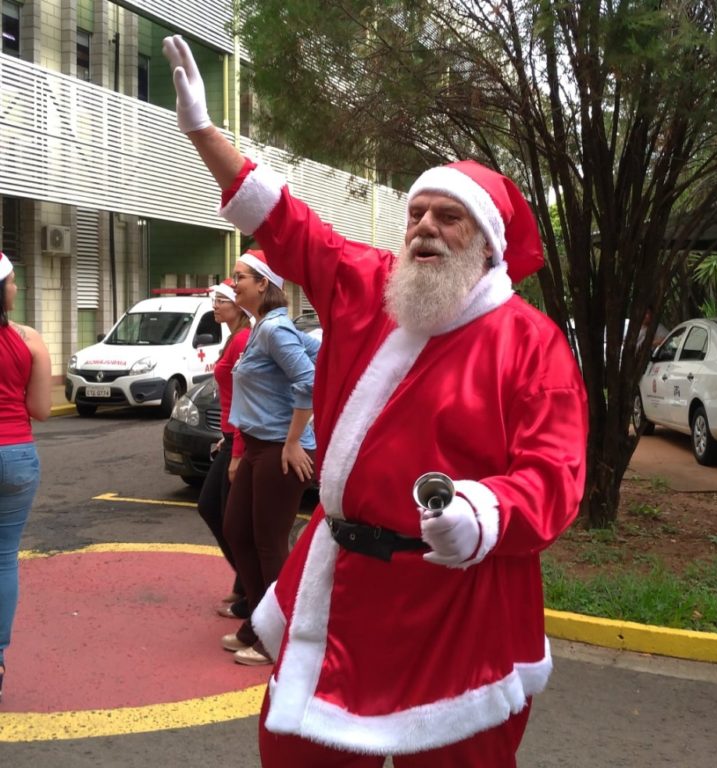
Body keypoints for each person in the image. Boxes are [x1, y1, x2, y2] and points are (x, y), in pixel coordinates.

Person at [164, 36, 588, 766]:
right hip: (340, 588)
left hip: (460, 605)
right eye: (415, 213)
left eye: (446, 216)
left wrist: (483, 513)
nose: (423, 226)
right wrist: (205, 136)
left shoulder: (532, 342)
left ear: (487, 244)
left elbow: (554, 475)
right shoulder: (367, 285)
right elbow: (287, 224)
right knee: (294, 747)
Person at [220, 248, 320, 666]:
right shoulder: (267, 327)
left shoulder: (274, 330)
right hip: (260, 445)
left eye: (240, 276)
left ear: (263, 284)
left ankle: (277, 637)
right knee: (237, 530)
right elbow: (319, 359)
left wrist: (295, 440)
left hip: (281, 450)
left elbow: (310, 379)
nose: (233, 282)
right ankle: (260, 623)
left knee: (269, 543)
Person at [0, 251, 52, 703]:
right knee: (3, 557)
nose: (16, 288)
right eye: (13, 281)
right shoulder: (30, 339)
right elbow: (40, 409)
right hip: (15, 453)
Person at [196, 280, 252, 620]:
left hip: (240, 441)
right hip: (231, 437)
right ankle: (244, 582)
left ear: (238, 305)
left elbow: (248, 395)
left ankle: (251, 587)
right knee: (219, 512)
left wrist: (237, 447)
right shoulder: (234, 337)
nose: (215, 305)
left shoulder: (244, 339)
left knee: (229, 518)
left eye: (222, 300)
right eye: (215, 300)